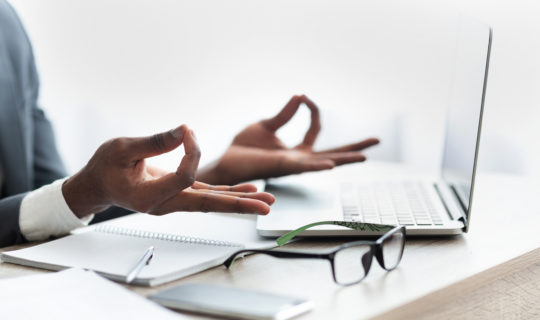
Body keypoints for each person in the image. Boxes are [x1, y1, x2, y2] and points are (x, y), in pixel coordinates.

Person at [0, 0, 379, 247]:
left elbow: (44, 207)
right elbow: (61, 201)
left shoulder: (7, 24)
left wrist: (220, 171)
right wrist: (83, 192)